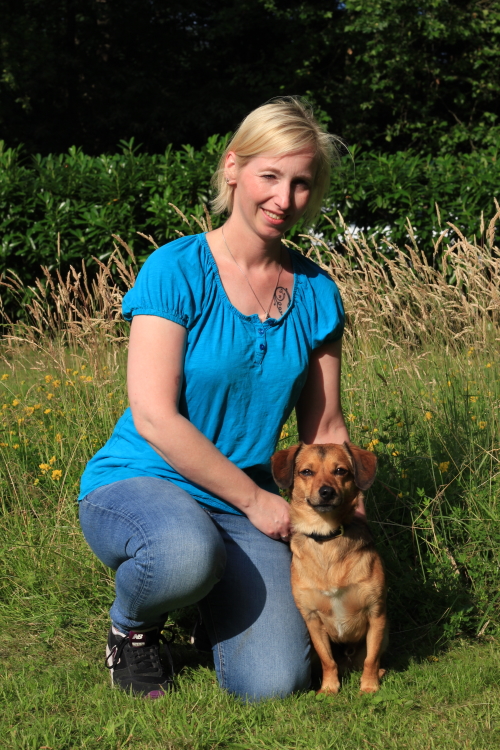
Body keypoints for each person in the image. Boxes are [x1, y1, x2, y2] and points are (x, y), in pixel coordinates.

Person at [78, 96, 356, 701]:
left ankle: (209, 610)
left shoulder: (316, 294)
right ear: (233, 168)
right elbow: (154, 415)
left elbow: (326, 422)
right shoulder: (175, 270)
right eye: (270, 176)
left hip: (241, 500)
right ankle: (133, 628)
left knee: (276, 682)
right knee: (183, 551)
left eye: (302, 183)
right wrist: (257, 500)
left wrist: (347, 508)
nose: (284, 199)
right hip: (142, 481)